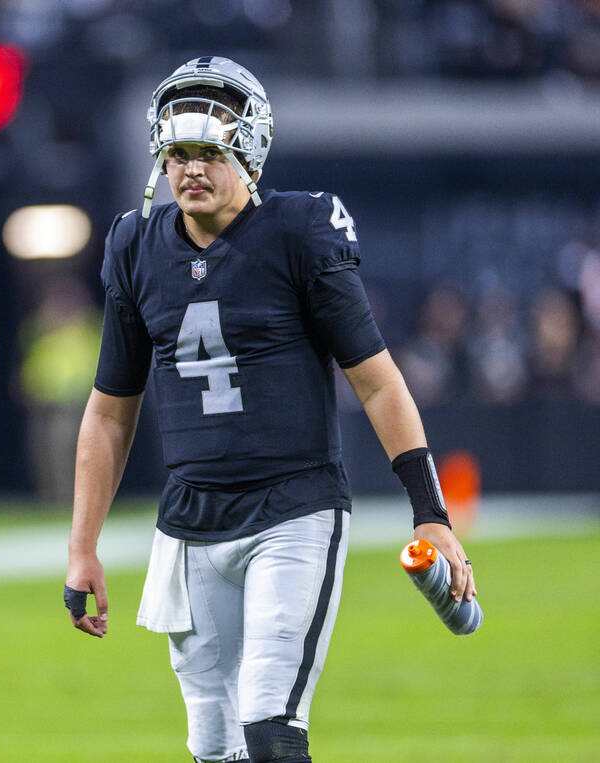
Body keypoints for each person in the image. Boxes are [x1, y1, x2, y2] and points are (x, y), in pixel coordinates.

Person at [63, 57, 478, 763]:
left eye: (208, 151)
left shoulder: (299, 231)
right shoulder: (136, 245)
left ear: (247, 151)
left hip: (293, 509)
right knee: (213, 743)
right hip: (190, 522)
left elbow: (377, 381)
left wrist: (430, 510)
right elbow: (109, 413)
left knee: (269, 722)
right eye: (177, 153)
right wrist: (82, 546)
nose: (190, 169)